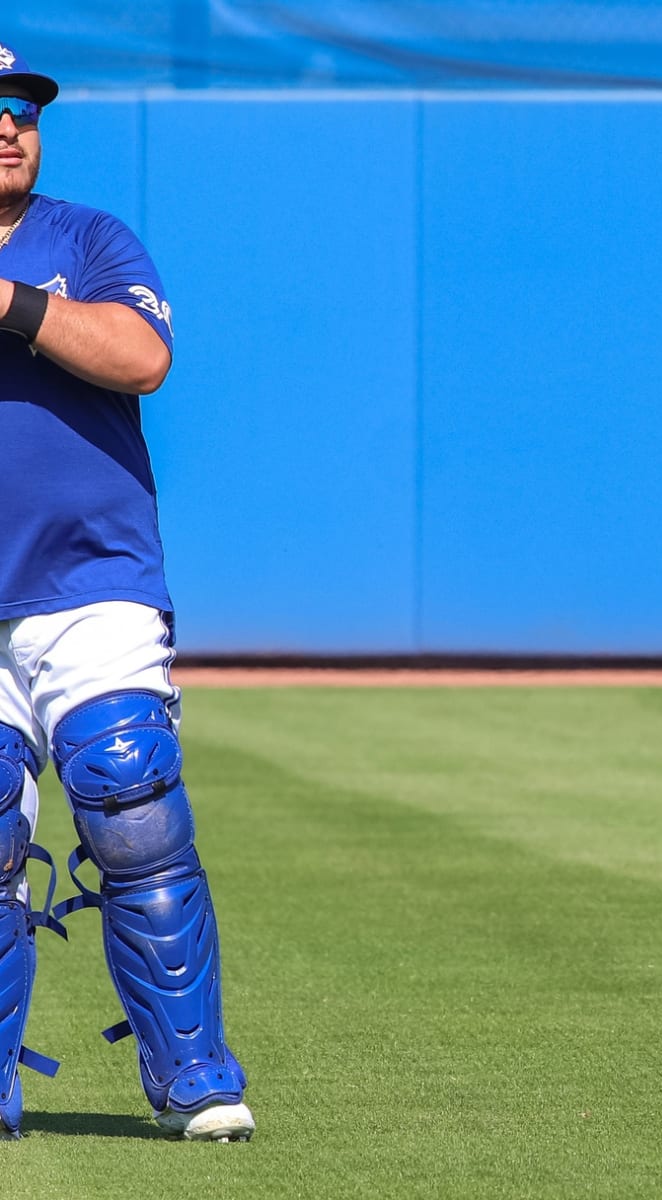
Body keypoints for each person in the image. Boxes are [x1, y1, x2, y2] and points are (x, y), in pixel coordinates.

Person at [0, 44, 254, 1139]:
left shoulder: (88, 238)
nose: (10, 124)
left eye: (21, 108)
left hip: (90, 585)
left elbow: (141, 354)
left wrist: (7, 300)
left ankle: (196, 1080)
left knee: (131, 795)